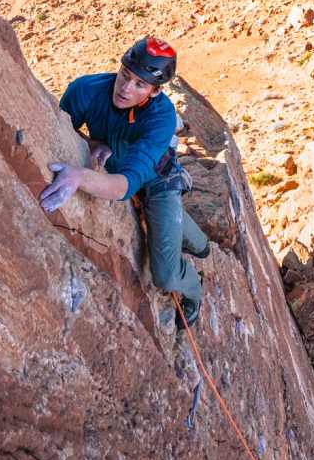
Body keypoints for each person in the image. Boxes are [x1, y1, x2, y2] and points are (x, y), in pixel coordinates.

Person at [39, 36, 209, 325]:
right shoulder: (86, 90)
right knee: (168, 228)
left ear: (155, 91)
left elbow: (125, 186)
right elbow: (63, 127)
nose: (126, 88)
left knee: (166, 276)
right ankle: (193, 240)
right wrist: (91, 142)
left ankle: (194, 286)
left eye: (140, 84)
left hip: (157, 181)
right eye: (125, 76)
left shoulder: (161, 118)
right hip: (119, 165)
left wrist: (79, 177)